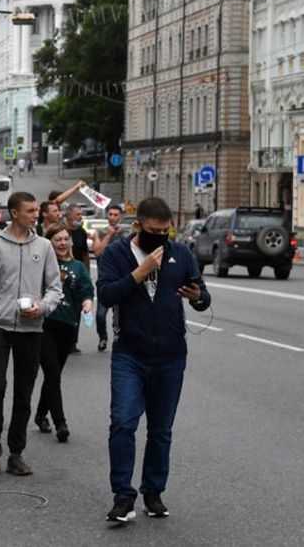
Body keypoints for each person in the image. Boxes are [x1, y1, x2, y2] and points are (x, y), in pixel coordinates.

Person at [96, 197, 210, 523]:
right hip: (130, 353)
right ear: (138, 226)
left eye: (165, 230)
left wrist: (199, 296)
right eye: (153, 230)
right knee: (123, 422)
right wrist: (139, 273)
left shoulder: (181, 253)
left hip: (171, 356)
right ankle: (122, 496)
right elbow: (106, 294)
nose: (160, 236)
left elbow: (202, 297)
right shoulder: (118, 254)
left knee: (161, 431)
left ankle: (153, 492)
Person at [0, 191, 63, 477]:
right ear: (14, 213)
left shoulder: (44, 246)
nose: (37, 215)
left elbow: (55, 288)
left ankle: (16, 452)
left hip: (31, 329)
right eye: (31, 211)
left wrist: (41, 306)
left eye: (37, 211)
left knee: (24, 393)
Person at [33, 224, 93, 443]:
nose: (62, 243)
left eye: (65, 239)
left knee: (53, 374)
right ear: (49, 242)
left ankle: (40, 414)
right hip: (44, 324)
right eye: (57, 239)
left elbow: (86, 289)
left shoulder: (77, 267)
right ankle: (60, 422)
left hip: (68, 326)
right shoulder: (41, 264)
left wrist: (87, 304)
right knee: (53, 374)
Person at [92, 204, 129, 352]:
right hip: (105, 280)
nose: (112, 217)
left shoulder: (127, 234)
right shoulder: (99, 232)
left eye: (115, 215)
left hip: (122, 279)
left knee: (120, 314)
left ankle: (118, 337)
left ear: (121, 217)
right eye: (110, 214)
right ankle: (103, 337)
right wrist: (108, 235)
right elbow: (97, 252)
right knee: (101, 314)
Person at [64, 204, 91, 269]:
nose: (81, 217)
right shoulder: (59, 230)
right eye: (78, 214)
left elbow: (85, 253)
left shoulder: (81, 231)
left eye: (81, 214)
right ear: (69, 215)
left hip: (79, 268)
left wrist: (87, 272)